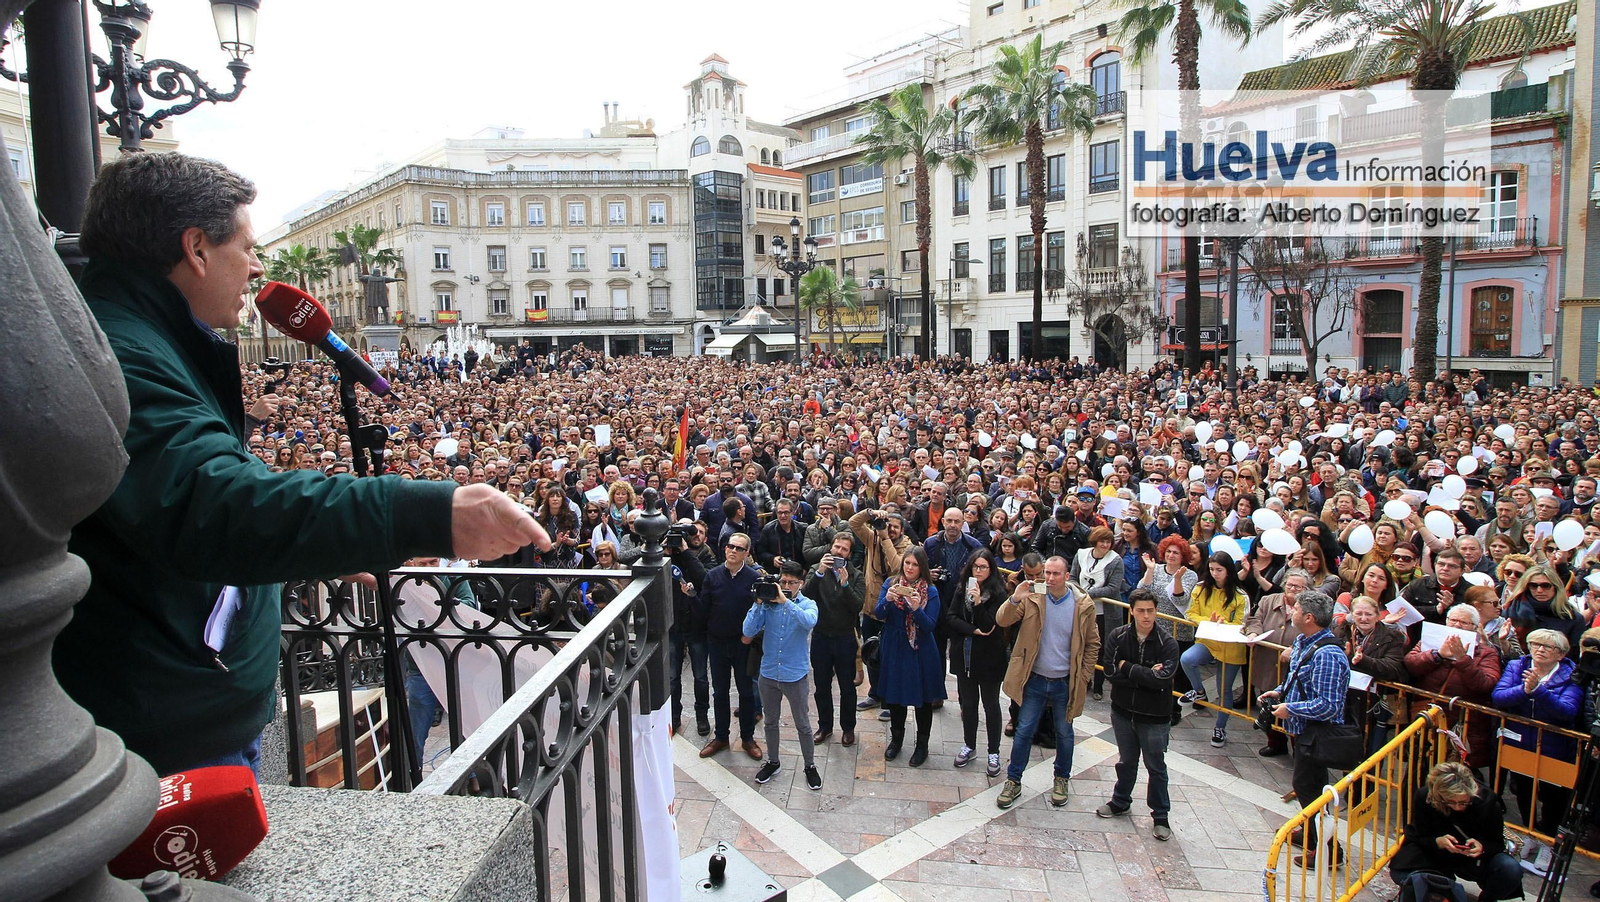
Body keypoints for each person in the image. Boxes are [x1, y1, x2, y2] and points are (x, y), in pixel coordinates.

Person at [57, 153, 548, 777]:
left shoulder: (142, 341)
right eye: (247, 246)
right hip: (165, 723)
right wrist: (431, 510)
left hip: (179, 699)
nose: (258, 267)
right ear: (196, 249)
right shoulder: (122, 357)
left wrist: (340, 554)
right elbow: (212, 507)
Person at [996, 555, 1100, 810]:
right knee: (1023, 731)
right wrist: (1014, 598)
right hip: (1035, 678)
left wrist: (1083, 675)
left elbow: (1092, 644)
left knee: (1064, 733)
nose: (1050, 578)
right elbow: (1002, 620)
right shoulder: (1034, 596)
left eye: (1056, 574)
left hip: (1065, 680)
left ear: (1067, 576)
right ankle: (1013, 780)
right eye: (1047, 573)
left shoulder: (1081, 604)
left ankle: (1061, 778)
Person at [1260, 589, 1351, 865]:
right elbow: (1298, 680)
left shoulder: (1328, 655)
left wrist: (1292, 709)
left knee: (1309, 787)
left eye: (1295, 608)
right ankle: (1312, 834)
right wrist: (1279, 693)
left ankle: (1331, 851)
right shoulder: (1304, 641)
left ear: (1309, 617)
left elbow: (1329, 705)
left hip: (1318, 734)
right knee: (1307, 785)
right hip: (1302, 731)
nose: (1291, 611)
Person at [1490, 628, 1582, 877]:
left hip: (1555, 748)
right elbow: (1499, 696)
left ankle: (1549, 843)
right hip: (1520, 743)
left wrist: (1538, 691)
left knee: (1553, 799)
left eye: (1547, 647)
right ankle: (1529, 833)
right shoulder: (1517, 666)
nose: (1539, 650)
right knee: (1524, 790)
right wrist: (1525, 690)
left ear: (1561, 654)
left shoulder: (1572, 675)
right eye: (1534, 645)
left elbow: (1567, 711)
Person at [1096, 589, 1179, 841]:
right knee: (1126, 761)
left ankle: (1161, 816)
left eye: (1150, 611)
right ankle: (1120, 800)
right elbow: (1110, 671)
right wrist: (1144, 674)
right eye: (1141, 610)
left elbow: (1162, 681)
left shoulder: (1168, 643)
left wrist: (1128, 667)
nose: (1146, 616)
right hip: (1122, 712)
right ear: (1131, 611)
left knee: (1156, 767)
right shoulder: (1118, 636)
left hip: (1154, 717)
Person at [1389, 763, 1523, 902]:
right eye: (1451, 802)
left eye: (1464, 802)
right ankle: (1443, 889)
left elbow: (1497, 844)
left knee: (1510, 869)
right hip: (1437, 856)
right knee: (1403, 873)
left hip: (1474, 860)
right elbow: (1419, 836)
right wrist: (1437, 842)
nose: (1458, 807)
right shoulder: (1425, 797)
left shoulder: (1489, 804)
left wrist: (1482, 847)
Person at [743, 561, 822, 790]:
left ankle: (810, 765)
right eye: (783, 581)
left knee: (803, 724)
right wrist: (758, 603)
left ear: (801, 583)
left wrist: (785, 601)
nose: (786, 585)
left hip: (795, 675)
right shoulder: (767, 604)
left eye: (791, 582)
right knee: (770, 721)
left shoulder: (808, 604)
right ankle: (773, 761)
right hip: (768, 672)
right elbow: (748, 631)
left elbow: (809, 622)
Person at [873, 547, 946, 766]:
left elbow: (930, 626)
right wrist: (886, 599)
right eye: (907, 564)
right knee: (895, 698)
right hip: (895, 645)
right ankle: (896, 740)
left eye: (914, 565)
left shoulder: (930, 591)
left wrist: (916, 609)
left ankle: (922, 745)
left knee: (923, 700)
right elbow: (879, 613)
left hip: (920, 649)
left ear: (921, 567)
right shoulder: (892, 583)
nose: (910, 568)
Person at [698, 533, 766, 760]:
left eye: (739, 548)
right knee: (720, 692)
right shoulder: (712, 576)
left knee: (746, 692)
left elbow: (760, 612)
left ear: (747, 553)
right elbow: (704, 607)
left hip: (743, 644)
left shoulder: (753, 578)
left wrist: (751, 635)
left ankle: (747, 737)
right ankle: (721, 736)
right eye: (730, 546)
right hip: (717, 643)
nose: (733, 551)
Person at [948, 549, 1011, 776]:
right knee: (969, 704)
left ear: (991, 569)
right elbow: (952, 617)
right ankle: (969, 745)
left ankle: (993, 751)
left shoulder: (998, 594)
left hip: (989, 658)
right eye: (976, 567)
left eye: (983, 567)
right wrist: (971, 630)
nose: (979, 571)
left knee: (991, 705)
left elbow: (989, 625)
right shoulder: (962, 588)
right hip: (965, 655)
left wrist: (977, 604)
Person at [1180, 552, 1250, 748]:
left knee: (1224, 690)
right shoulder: (1201, 588)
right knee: (1187, 659)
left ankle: (1220, 727)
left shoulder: (1240, 595)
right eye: (1212, 569)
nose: (1215, 573)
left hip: (1231, 646)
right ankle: (1199, 691)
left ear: (1228, 571)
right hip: (1209, 640)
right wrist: (1208, 622)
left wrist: (1223, 623)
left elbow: (1241, 623)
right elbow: (1190, 613)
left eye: (1219, 570)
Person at [806, 532, 865, 747]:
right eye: (836, 547)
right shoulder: (816, 569)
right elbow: (806, 594)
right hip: (821, 636)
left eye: (844, 549)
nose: (838, 552)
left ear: (849, 554)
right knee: (821, 685)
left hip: (844, 637)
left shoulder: (856, 575)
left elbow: (857, 606)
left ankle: (848, 728)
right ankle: (825, 726)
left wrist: (846, 585)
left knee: (847, 687)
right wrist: (820, 573)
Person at [849, 507, 911, 713]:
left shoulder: (908, 547)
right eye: (887, 525)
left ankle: (890, 699)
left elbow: (897, 567)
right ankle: (874, 693)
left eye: (895, 527)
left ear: (902, 530)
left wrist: (885, 539)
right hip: (871, 609)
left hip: (893, 613)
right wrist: (871, 513)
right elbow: (854, 523)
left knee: (892, 657)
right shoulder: (872, 539)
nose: (890, 529)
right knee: (870, 653)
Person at [1245, 568, 1306, 757]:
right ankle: (1275, 742)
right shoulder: (1268, 600)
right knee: (1269, 705)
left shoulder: (1310, 606)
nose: (1293, 589)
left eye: (1299, 586)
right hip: (1267, 661)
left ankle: (1300, 749)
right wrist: (1254, 632)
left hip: (1295, 668)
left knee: (1294, 709)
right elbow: (1254, 618)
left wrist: (1297, 649)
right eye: (1290, 585)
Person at [1073, 525, 1128, 701]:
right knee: (1081, 642)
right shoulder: (1082, 554)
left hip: (1105, 611)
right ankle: (1084, 679)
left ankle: (1098, 684)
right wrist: (1078, 591)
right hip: (1082, 607)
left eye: (1108, 542)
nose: (1105, 545)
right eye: (1102, 541)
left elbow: (1113, 588)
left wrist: (1087, 593)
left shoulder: (1115, 560)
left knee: (1102, 647)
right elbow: (1073, 576)